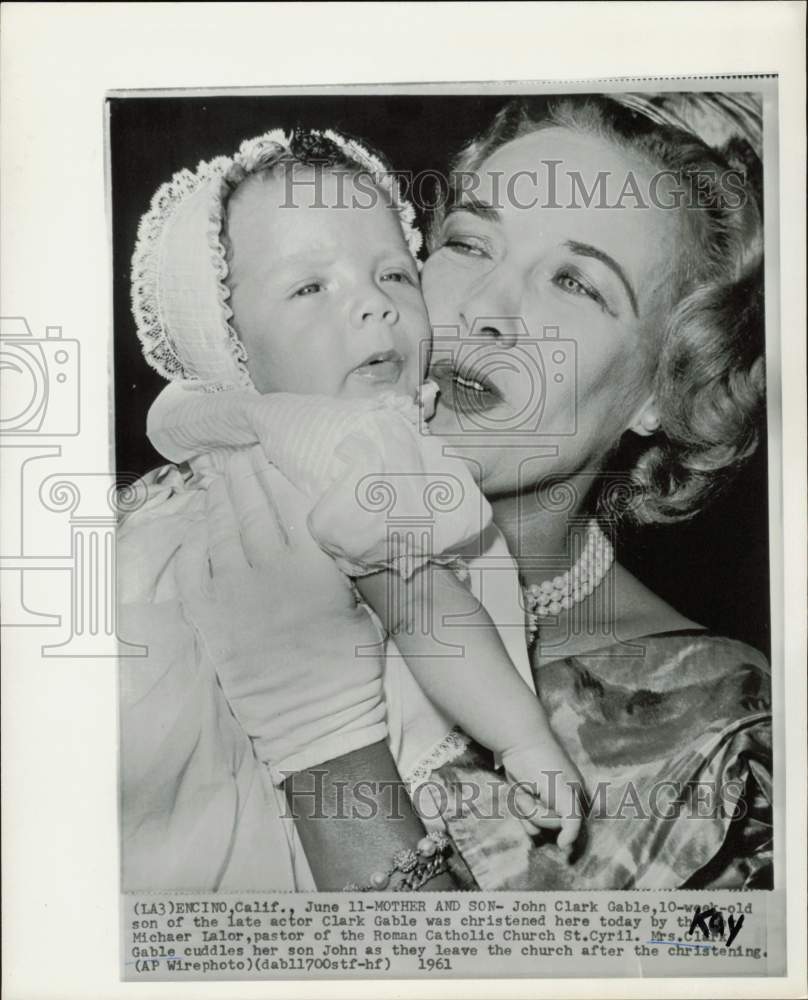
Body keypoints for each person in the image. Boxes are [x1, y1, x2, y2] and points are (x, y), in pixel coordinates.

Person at [119, 92, 771, 892]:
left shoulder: (725, 745)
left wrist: (327, 740)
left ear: (667, 389)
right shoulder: (222, 490)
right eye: (468, 243)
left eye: (575, 282)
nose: (487, 309)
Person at [119, 126, 581, 893]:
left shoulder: (230, 445)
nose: (374, 305)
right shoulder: (335, 448)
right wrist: (525, 738)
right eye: (311, 287)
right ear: (228, 344)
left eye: (397, 275)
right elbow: (424, 607)